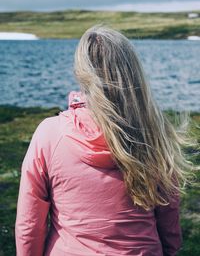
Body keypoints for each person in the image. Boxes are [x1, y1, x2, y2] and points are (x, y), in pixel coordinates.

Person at [15, 25, 194, 256]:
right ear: (132, 71)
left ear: (81, 72)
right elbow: (169, 218)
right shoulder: (154, 134)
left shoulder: (49, 134)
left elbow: (30, 224)